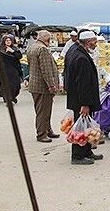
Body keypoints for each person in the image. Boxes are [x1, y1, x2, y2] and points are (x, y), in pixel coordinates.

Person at [64, 30, 102, 165]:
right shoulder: (81, 58)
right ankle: (78, 155)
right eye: (94, 42)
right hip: (81, 100)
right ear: (87, 42)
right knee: (80, 128)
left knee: (86, 127)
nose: (96, 45)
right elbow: (83, 84)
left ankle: (87, 151)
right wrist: (85, 104)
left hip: (78, 99)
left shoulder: (78, 52)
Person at [27, 30, 60, 143]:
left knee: (44, 109)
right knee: (43, 111)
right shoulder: (43, 49)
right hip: (43, 86)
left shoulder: (32, 47)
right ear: (47, 39)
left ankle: (48, 129)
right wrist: (52, 85)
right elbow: (46, 70)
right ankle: (41, 134)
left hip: (34, 84)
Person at [0, 34, 22, 103]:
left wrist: (12, 51)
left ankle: (13, 96)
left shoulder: (15, 49)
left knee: (16, 85)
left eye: (9, 40)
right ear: (4, 41)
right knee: (5, 85)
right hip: (4, 70)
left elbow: (19, 56)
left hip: (14, 70)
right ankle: (8, 99)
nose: (8, 41)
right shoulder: (0, 49)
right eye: (6, 40)